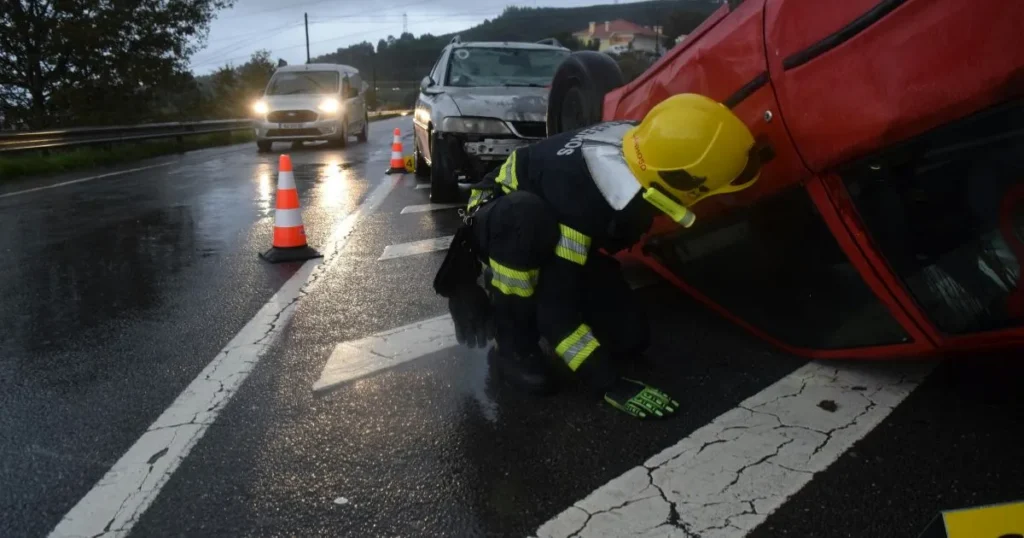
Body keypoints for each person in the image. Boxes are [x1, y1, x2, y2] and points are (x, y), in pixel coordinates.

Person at [433, 93, 768, 419]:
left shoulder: (651, 143)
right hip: (506, 217)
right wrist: (608, 382)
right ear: (679, 183)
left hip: (556, 217)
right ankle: (513, 342)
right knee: (527, 224)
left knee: (629, 338)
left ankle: (545, 280)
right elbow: (556, 314)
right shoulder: (583, 201)